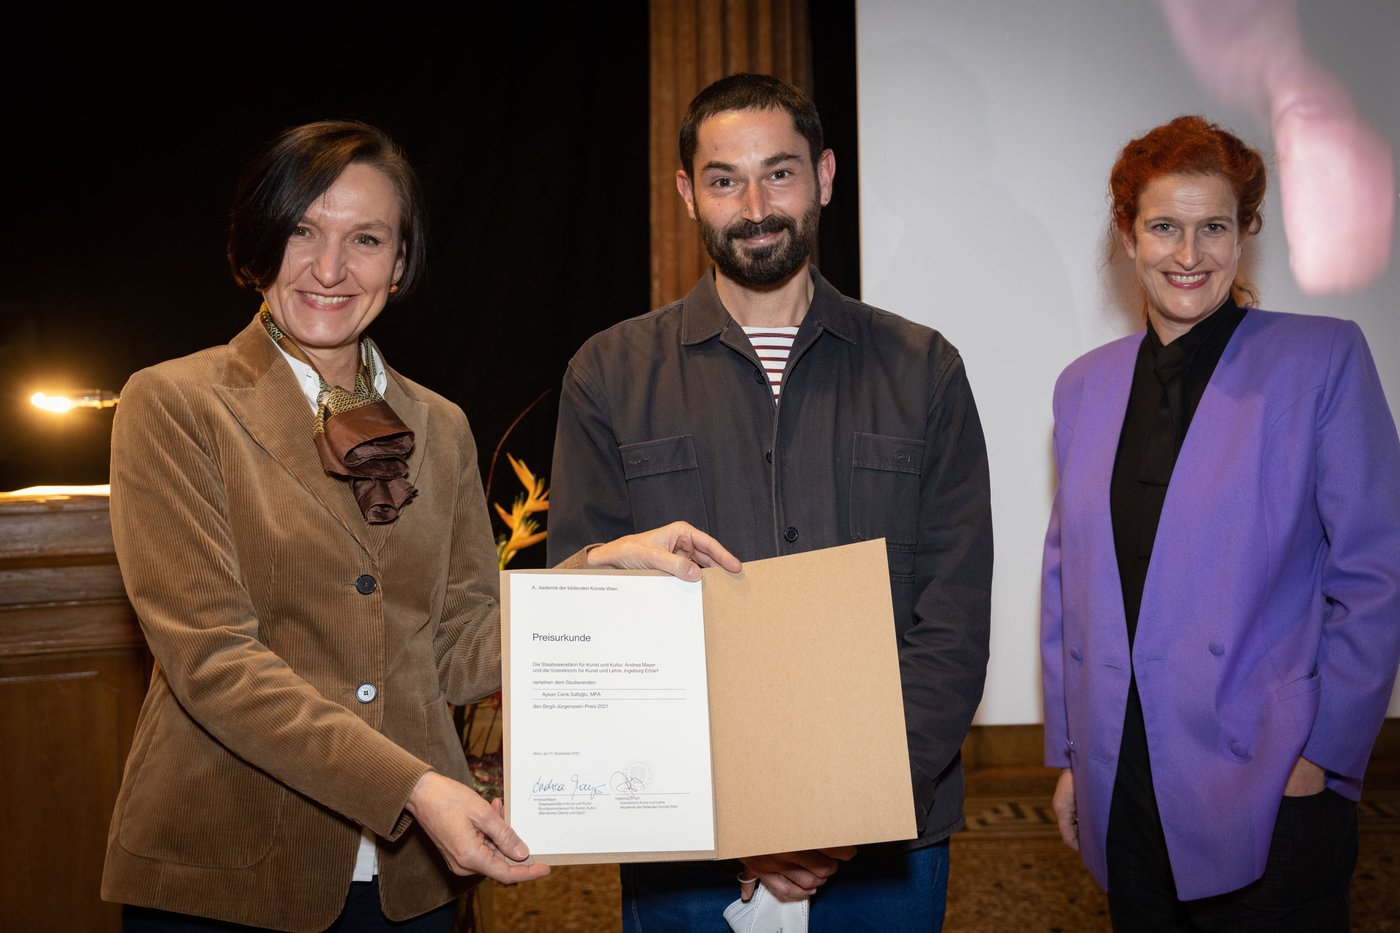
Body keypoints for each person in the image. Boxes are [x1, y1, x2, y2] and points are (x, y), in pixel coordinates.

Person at [101, 119, 738, 933]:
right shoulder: (174, 403)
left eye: (365, 239)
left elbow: (455, 644)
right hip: (231, 869)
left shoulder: (439, 425)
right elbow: (213, 661)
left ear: (399, 265)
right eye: (302, 230)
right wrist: (414, 785)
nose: (330, 268)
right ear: (261, 241)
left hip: (410, 884)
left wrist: (600, 577)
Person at [548, 73, 994, 931]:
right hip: (686, 841)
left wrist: (846, 808)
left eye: (779, 173)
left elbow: (953, 615)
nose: (755, 204)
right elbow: (590, 607)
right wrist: (739, 818)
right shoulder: (607, 375)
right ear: (687, 193)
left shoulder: (922, 369)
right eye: (724, 179)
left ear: (824, 176)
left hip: (885, 845)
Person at [1041, 114, 1400, 931]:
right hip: (1124, 778)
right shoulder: (1083, 387)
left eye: (1215, 227)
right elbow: (1069, 581)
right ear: (1127, 235)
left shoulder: (1323, 360)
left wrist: (1323, 759)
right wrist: (1071, 756)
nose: (1189, 253)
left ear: (1245, 235)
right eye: (1164, 226)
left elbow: (1378, 573)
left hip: (1269, 781)